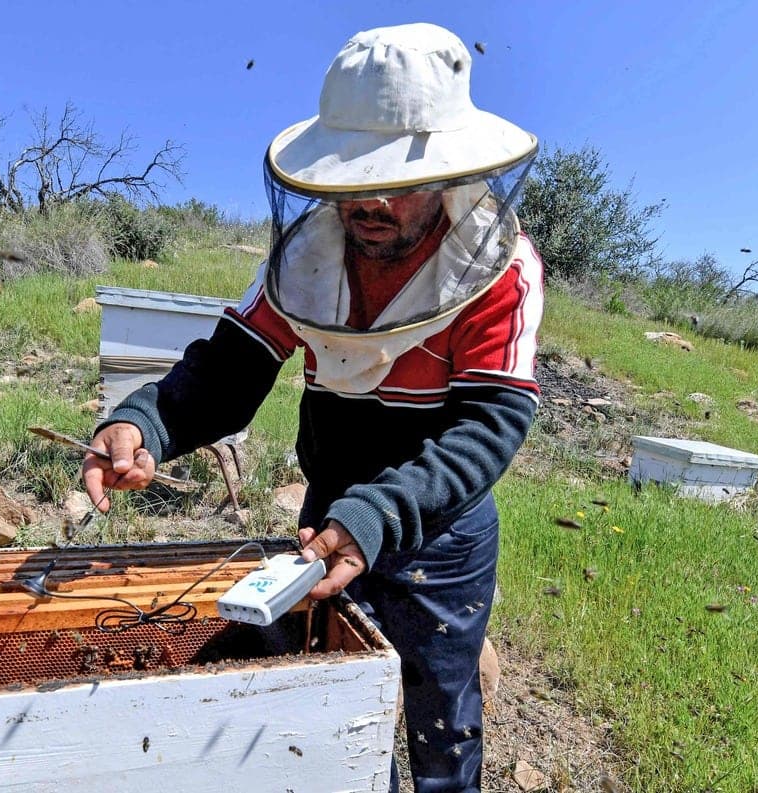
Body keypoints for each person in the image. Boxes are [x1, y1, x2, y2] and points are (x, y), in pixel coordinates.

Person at [84, 22, 543, 793]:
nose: (371, 202)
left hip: (442, 528)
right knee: (326, 707)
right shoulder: (307, 261)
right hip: (327, 517)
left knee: (442, 716)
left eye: (395, 181)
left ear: (447, 173)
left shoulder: (498, 269)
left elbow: (489, 426)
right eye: (357, 178)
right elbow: (229, 369)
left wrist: (378, 516)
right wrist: (145, 422)